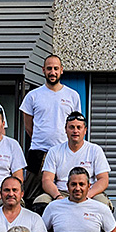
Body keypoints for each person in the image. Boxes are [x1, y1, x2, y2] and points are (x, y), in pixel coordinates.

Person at [19, 55, 82, 201]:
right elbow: (28, 126)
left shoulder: (72, 95)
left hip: (64, 152)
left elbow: (76, 123)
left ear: (61, 70)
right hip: (38, 152)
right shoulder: (33, 96)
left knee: (63, 192)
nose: (52, 72)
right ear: (43, 70)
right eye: (49, 69)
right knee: (31, 196)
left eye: (55, 68)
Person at [33, 112, 113, 208]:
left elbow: (103, 179)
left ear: (85, 130)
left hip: (88, 192)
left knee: (103, 203)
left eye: (79, 127)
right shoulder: (54, 151)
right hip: (62, 192)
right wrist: (58, 197)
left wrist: (87, 196)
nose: (75, 131)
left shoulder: (95, 150)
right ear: (65, 130)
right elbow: (47, 180)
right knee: (40, 201)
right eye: (71, 127)